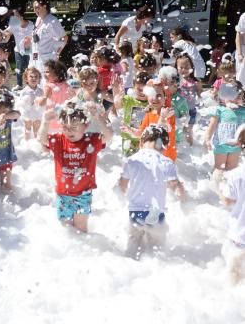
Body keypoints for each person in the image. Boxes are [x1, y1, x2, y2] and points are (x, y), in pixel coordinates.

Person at [39, 99, 112, 233]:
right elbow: (42, 139)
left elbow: (109, 135)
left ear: (86, 125)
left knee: (81, 227)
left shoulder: (91, 140)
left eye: (74, 128)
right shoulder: (60, 140)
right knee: (66, 230)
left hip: (83, 194)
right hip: (63, 194)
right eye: (65, 127)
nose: (69, 131)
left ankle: (83, 251)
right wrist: (45, 122)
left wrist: (98, 117)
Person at [119, 125, 185, 259]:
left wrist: (121, 196)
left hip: (135, 212)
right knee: (156, 251)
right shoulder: (166, 162)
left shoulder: (132, 160)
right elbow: (175, 185)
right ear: (164, 147)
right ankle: (156, 271)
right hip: (156, 214)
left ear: (141, 142)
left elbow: (121, 185)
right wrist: (182, 194)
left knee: (133, 245)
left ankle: (130, 266)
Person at [204, 81, 245, 174]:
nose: (239, 97)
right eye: (236, 95)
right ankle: (214, 184)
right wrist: (207, 138)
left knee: (232, 169)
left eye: (240, 95)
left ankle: (228, 186)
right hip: (222, 144)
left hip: (236, 145)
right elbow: (212, 125)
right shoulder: (221, 110)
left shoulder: (243, 111)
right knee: (219, 167)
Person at [221, 126, 245, 284]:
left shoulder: (237, 174)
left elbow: (228, 201)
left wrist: (221, 189)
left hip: (240, 239)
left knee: (233, 285)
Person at [31, 0, 67, 73]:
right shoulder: (39, 19)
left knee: (46, 81)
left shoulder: (52, 21)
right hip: (37, 57)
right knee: (36, 79)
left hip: (48, 58)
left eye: (37, 7)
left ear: (45, 6)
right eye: (34, 8)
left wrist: (57, 53)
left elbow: (64, 38)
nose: (35, 10)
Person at [3, 6, 34, 88]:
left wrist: (30, 39)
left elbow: (35, 36)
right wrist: (0, 33)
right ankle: (19, 84)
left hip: (28, 49)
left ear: (21, 16)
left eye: (16, 15)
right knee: (19, 68)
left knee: (28, 67)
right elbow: (6, 32)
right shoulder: (14, 25)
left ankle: (29, 84)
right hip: (18, 49)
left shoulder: (30, 25)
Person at [175, 53, 202, 145]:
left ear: (191, 68)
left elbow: (200, 95)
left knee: (188, 131)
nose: (184, 70)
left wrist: (200, 96)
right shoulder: (176, 81)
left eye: (187, 67)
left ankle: (190, 147)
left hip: (190, 110)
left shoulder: (195, 82)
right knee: (178, 131)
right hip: (179, 111)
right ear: (176, 67)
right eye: (181, 67)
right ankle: (181, 147)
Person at [17, 66, 44, 139]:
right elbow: (21, 105)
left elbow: (43, 103)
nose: (34, 78)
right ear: (26, 78)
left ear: (39, 79)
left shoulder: (41, 91)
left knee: (37, 126)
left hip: (37, 112)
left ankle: (36, 141)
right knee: (27, 127)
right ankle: (27, 142)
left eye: (36, 77)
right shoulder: (24, 91)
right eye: (31, 76)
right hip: (27, 113)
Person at [235, 12, 245, 86]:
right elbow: (239, 35)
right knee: (241, 78)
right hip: (243, 49)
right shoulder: (244, 16)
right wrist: (239, 53)